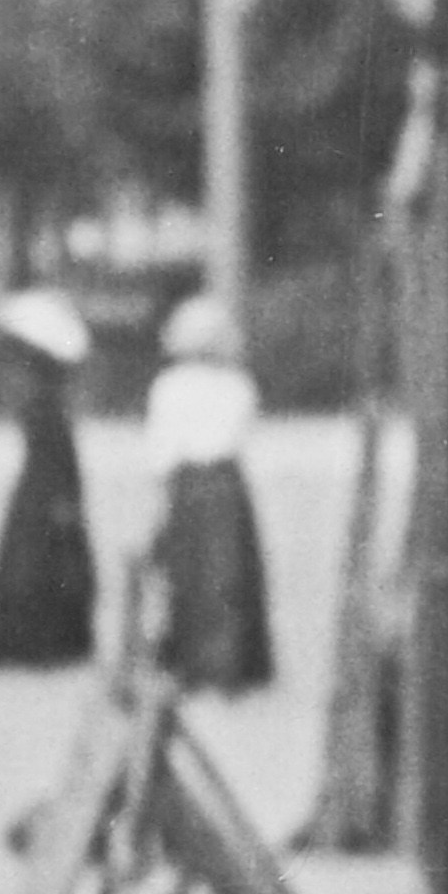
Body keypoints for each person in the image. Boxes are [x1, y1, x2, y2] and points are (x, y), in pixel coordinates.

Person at [146, 281, 278, 696]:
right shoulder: (238, 385)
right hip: (226, 484)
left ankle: (191, 661)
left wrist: (159, 504)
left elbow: (162, 451)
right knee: (229, 574)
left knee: (188, 575)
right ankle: (232, 663)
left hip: (188, 485)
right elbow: (244, 438)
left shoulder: (168, 387)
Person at [0, 280, 100, 670]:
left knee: (31, 555)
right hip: (49, 482)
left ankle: (27, 640)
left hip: (36, 484)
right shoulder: (44, 395)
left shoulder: (29, 387)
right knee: (48, 557)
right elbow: (55, 449)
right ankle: (47, 642)